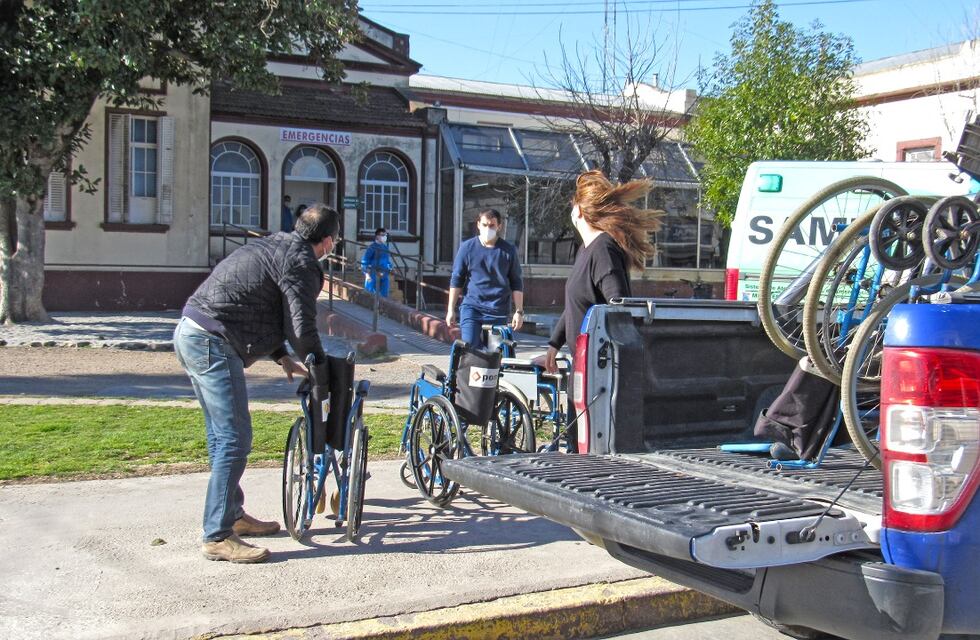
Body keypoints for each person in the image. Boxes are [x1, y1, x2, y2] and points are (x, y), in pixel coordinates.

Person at [173, 204, 339, 564]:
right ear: (328, 242)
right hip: (213, 340)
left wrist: (280, 355)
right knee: (234, 438)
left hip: (193, 331)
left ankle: (232, 515)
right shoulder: (302, 262)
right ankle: (217, 535)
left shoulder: (276, 244)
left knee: (222, 437)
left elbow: (256, 299)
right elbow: (300, 324)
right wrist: (319, 364)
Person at [534, 170, 662, 450]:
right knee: (576, 441)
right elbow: (576, 304)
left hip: (598, 368)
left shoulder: (603, 249)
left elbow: (618, 305)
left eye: (572, 204)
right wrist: (554, 344)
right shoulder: (586, 249)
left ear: (579, 210)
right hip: (583, 363)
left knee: (587, 447)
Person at [447, 209, 524, 349]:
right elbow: (457, 279)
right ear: (478, 225)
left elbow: (516, 283)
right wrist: (450, 309)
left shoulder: (508, 251)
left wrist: (518, 312)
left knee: (496, 353)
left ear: (499, 226)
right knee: (470, 348)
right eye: (484, 225)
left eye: (492, 225)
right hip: (472, 308)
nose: (488, 229)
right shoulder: (467, 248)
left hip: (498, 309)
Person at [361, 227, 394, 298]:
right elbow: (365, 260)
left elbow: (387, 260)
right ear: (377, 236)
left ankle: (382, 305)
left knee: (384, 294)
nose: (384, 237)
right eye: (382, 235)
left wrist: (390, 267)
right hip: (373, 273)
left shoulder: (385, 248)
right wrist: (366, 273)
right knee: (370, 294)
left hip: (384, 273)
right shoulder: (372, 247)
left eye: (385, 235)